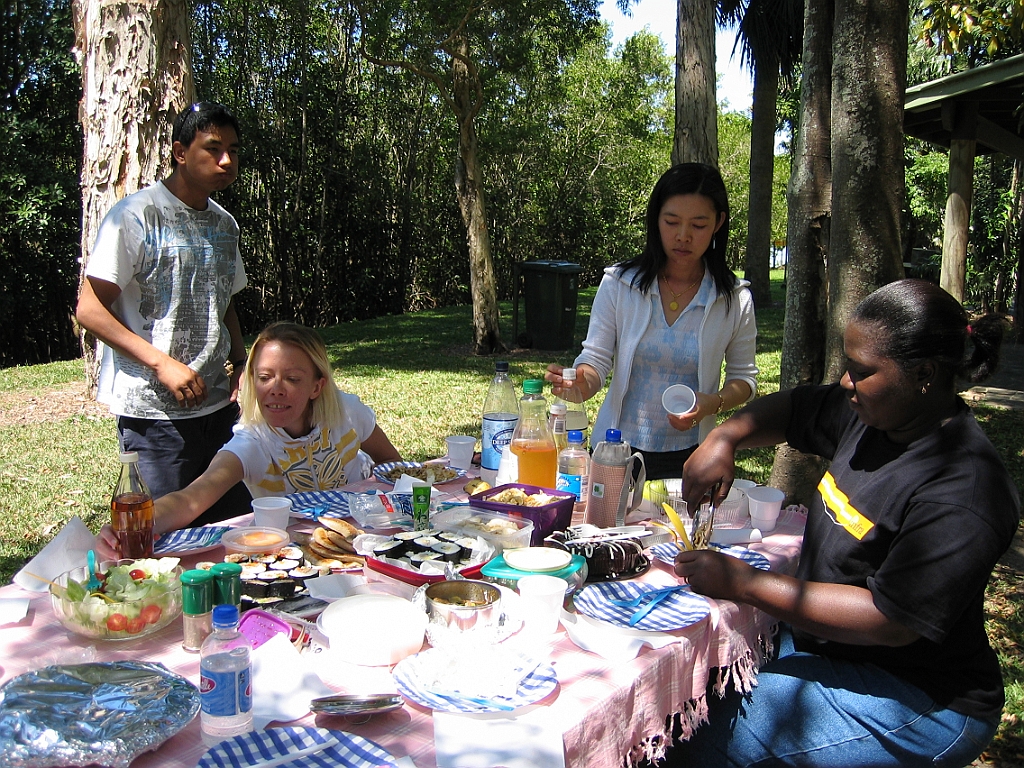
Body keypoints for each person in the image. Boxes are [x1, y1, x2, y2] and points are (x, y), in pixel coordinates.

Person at [667, 279, 1020, 767]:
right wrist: (724, 438)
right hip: (835, 650)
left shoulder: (964, 489)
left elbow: (889, 620)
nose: (846, 384)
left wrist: (744, 583)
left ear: (924, 374)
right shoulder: (874, 414)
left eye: (862, 371)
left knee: (698, 734)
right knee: (688, 681)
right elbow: (795, 409)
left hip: (920, 697)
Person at [76, 102, 252, 524]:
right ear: (179, 152)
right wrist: (162, 364)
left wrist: (243, 361)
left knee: (234, 533)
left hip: (218, 410)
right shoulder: (135, 216)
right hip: (154, 416)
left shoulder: (225, 224)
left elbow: (223, 296)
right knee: (158, 538)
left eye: (233, 148)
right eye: (213, 147)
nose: (226, 159)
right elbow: (88, 308)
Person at [97, 322, 402, 557]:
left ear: (316, 386)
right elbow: (192, 499)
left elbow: (393, 466)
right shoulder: (252, 441)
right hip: (292, 552)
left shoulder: (347, 413)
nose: (276, 389)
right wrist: (135, 525)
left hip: (365, 539)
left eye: (292, 379)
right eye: (264, 377)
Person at [545, 163, 757, 479]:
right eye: (671, 222)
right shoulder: (620, 284)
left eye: (698, 225)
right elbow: (595, 360)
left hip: (693, 457)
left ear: (718, 224)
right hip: (615, 450)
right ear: (656, 219)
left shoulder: (733, 298)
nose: (683, 236)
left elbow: (745, 379)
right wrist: (578, 383)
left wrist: (712, 403)